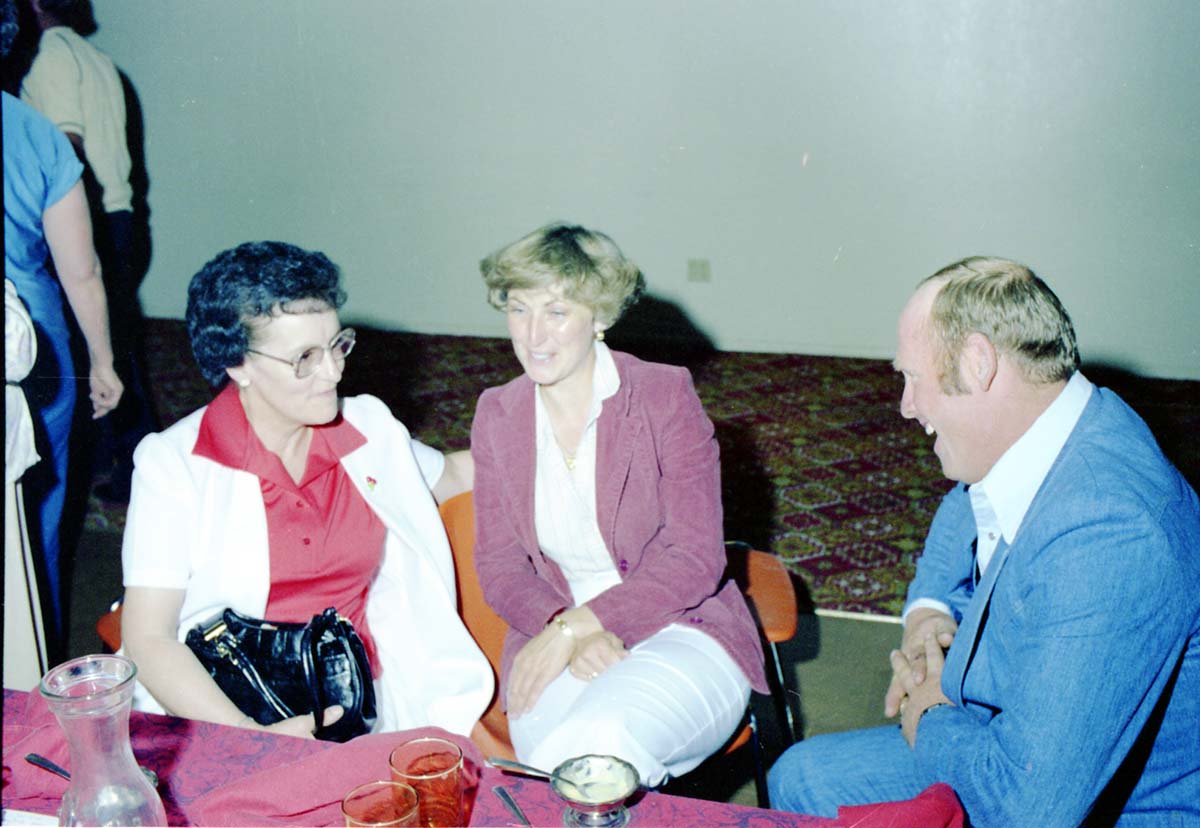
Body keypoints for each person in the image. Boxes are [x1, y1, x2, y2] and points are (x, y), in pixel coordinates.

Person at [768, 257, 1200, 825]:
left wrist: (931, 714)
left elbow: (1029, 811)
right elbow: (968, 504)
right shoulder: (1075, 424)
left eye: (913, 377)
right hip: (1011, 729)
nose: (906, 405)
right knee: (800, 777)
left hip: (1113, 806)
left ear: (977, 363)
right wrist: (929, 612)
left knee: (815, 793)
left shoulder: (1108, 531)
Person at [120, 241, 491, 738]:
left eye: (338, 345)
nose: (334, 372)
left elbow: (455, 477)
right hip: (221, 707)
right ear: (237, 364)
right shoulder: (175, 465)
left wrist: (567, 446)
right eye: (305, 358)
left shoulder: (368, 429)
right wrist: (250, 735)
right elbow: (148, 638)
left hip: (361, 697)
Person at [471, 222, 767, 787]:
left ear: (600, 317)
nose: (533, 335)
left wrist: (584, 626)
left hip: (681, 625)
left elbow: (693, 557)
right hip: (553, 629)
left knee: (595, 752)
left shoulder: (663, 396)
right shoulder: (498, 413)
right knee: (555, 771)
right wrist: (564, 628)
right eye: (518, 309)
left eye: (556, 312)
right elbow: (500, 564)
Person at [20, 0, 156, 502]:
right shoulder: (96, 59)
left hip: (90, 223)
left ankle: (109, 467)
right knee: (115, 349)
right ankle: (132, 466)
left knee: (87, 354)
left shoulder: (48, 59)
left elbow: (66, 147)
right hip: (121, 219)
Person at [3, 86, 123, 645]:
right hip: (30, 346)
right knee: (35, 525)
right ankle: (29, 666)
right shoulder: (35, 132)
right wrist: (101, 362)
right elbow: (81, 271)